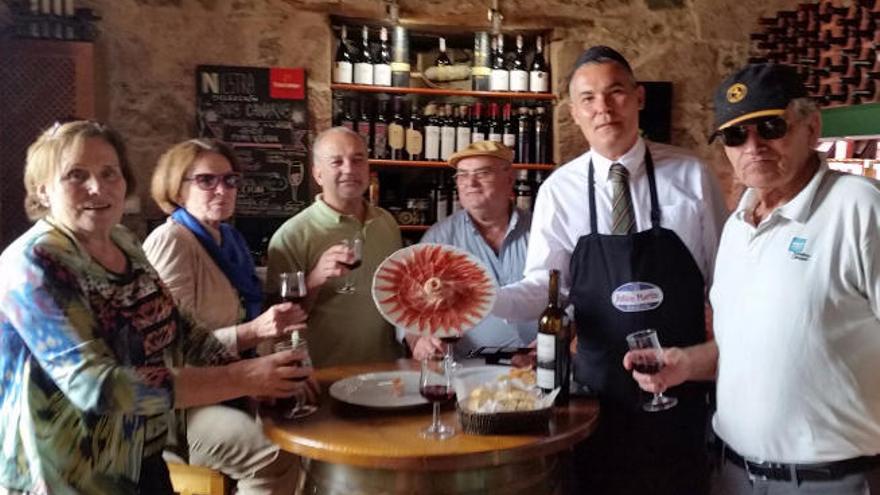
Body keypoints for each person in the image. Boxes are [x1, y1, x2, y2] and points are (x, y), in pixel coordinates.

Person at [0, 121, 312, 494]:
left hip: (139, 453)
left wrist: (261, 376)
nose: (97, 187)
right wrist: (242, 377)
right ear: (43, 191)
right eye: (76, 175)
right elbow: (98, 387)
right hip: (65, 472)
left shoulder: (122, 242)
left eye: (109, 173)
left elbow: (180, 327)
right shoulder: (33, 263)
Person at [626, 63, 880, 494]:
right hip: (733, 475)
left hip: (833, 481)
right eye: (735, 135)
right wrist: (687, 364)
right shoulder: (738, 227)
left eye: (770, 126)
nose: (753, 146)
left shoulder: (859, 208)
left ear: (811, 127)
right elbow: (747, 346)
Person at [492, 46, 728, 494]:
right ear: (574, 112)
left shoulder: (692, 176)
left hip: (681, 391)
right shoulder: (559, 191)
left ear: (639, 98)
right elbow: (546, 289)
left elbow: (722, 281)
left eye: (615, 92)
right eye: (588, 98)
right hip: (597, 399)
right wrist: (485, 299)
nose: (603, 108)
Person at [143, 138, 308, 494]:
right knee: (273, 454)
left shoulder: (228, 241)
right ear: (177, 187)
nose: (222, 189)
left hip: (233, 385)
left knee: (308, 428)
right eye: (207, 180)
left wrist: (277, 366)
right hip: (185, 406)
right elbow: (167, 349)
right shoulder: (172, 241)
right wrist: (253, 332)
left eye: (230, 180)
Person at [266, 127, 403, 367]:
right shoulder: (292, 235)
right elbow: (279, 326)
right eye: (336, 162)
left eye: (357, 160)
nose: (349, 169)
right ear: (318, 174)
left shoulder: (386, 222)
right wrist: (315, 279)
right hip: (324, 375)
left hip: (386, 371)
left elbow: (399, 294)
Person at [402, 141, 536, 361]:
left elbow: (569, 294)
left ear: (510, 179)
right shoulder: (439, 239)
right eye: (462, 175)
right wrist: (419, 341)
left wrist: (560, 338)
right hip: (467, 368)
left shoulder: (542, 230)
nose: (470, 183)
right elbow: (409, 305)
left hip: (539, 365)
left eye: (482, 173)